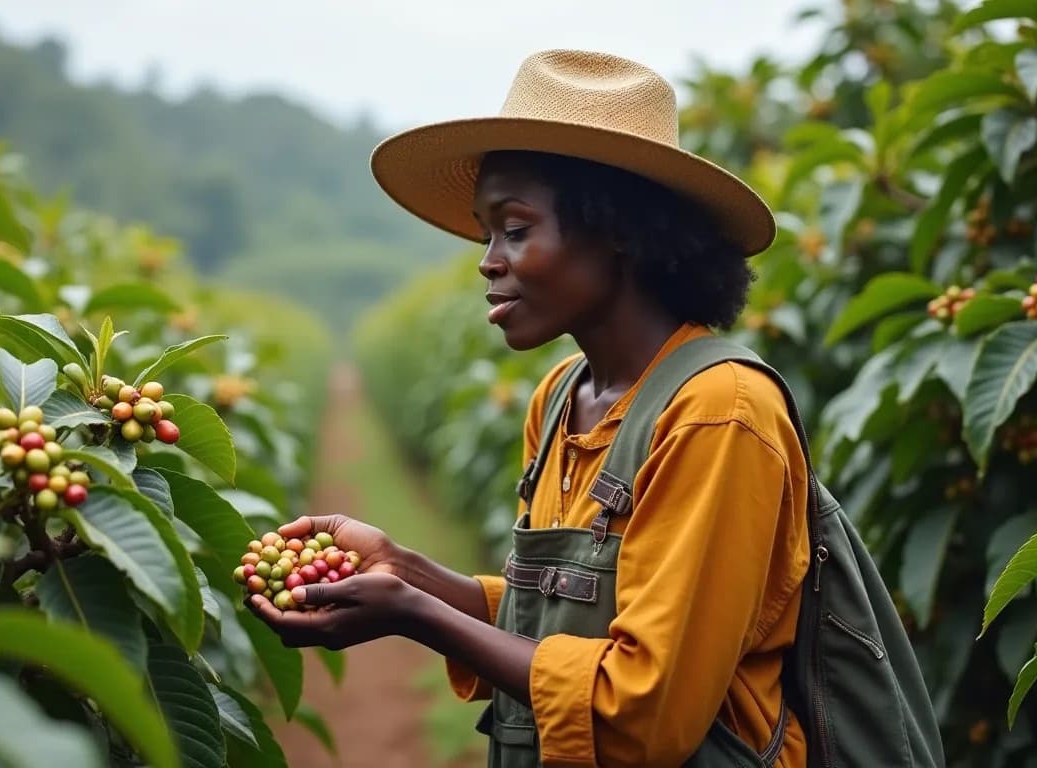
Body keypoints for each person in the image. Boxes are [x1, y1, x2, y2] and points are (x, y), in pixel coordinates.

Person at [246, 49, 809, 767]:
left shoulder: (718, 413)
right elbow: (550, 617)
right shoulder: (558, 399)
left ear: (620, 234)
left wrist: (413, 614)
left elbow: (645, 712)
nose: (487, 260)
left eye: (514, 229)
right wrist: (406, 571)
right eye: (487, 233)